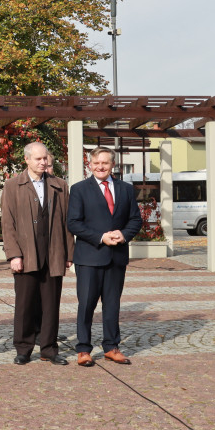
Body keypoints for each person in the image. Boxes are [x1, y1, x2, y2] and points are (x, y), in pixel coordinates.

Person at [66, 146, 142, 367]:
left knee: (112, 304)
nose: (100, 167)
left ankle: (111, 347)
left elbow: (135, 220)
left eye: (105, 163)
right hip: (89, 257)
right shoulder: (79, 189)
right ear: (89, 164)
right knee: (86, 305)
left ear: (113, 165)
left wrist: (123, 234)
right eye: (96, 163)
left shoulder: (126, 189)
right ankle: (83, 349)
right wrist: (100, 237)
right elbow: (73, 223)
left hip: (116, 257)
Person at [1, 142, 74, 365]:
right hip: (25, 254)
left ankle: (49, 348)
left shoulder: (60, 185)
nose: (43, 162)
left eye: (45, 158)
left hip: (53, 253)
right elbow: (8, 224)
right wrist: (14, 255)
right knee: (24, 304)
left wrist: (69, 254)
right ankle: (23, 348)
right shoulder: (13, 185)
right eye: (38, 159)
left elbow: (67, 223)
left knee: (51, 304)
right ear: (27, 160)